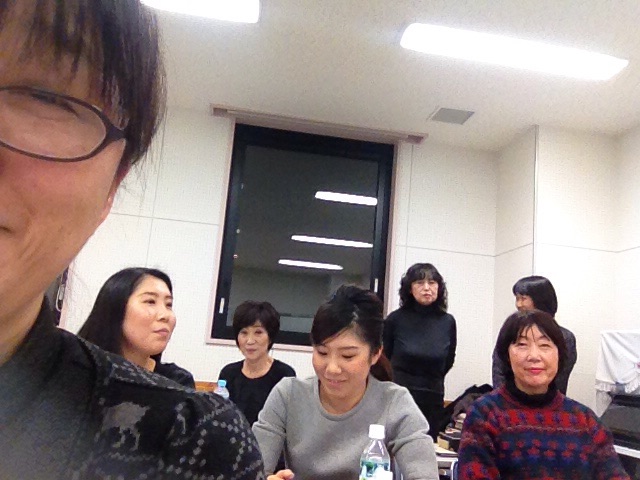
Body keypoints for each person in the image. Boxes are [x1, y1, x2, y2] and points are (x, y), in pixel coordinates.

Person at [0, 1, 264, 478]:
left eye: (43, 97)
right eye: (150, 301)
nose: (165, 315)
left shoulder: (186, 440)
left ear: (112, 186)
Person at [253, 285, 439, 480]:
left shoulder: (394, 402)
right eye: (322, 353)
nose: (332, 368)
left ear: (375, 354)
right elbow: (250, 470)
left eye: (347, 356)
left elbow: (425, 474)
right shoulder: (288, 395)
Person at [457, 310, 630, 480]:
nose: (534, 356)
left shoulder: (585, 421)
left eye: (545, 345)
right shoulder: (485, 414)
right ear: (507, 355)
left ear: (559, 355)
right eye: (522, 345)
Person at [78, 267, 195, 388]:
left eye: (168, 304)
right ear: (115, 308)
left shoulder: (177, 381)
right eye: (150, 301)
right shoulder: (78, 369)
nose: (165, 315)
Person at [383, 263, 457, 439]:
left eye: (432, 283)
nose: (426, 288)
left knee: (427, 445)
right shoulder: (395, 319)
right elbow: (385, 358)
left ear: (439, 288)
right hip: (399, 395)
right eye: (419, 283)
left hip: (433, 397)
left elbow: (448, 360)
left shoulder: (448, 321)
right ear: (410, 289)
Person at [492, 275, 577, 394]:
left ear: (539, 300)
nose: (519, 304)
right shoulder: (510, 331)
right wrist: (502, 400)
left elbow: (560, 380)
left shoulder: (565, 337)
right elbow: (499, 370)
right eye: (517, 299)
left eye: (523, 298)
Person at [219, 301, 296, 425]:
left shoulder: (284, 375)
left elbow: (289, 421)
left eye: (258, 332)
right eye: (244, 333)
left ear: (270, 337)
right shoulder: (228, 373)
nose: (250, 341)